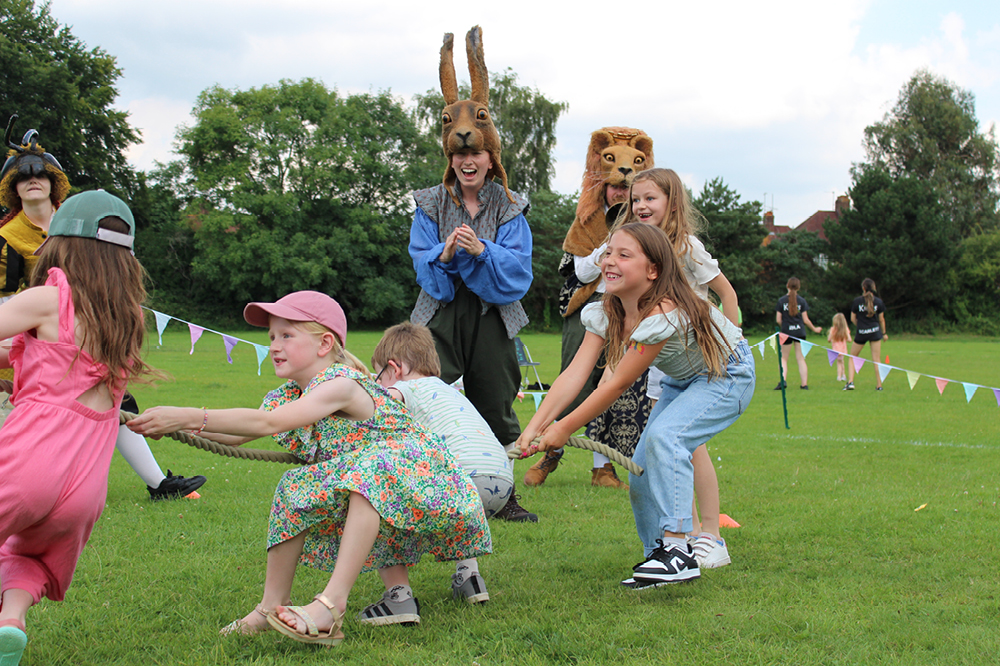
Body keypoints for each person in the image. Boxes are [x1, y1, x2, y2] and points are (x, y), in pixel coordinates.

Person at [128, 292, 491, 644]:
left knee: (365, 472)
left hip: (424, 478)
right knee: (295, 484)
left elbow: (267, 424)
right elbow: (238, 435)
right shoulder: (288, 395)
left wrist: (190, 414)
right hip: (374, 483)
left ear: (324, 344)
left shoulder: (341, 384)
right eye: (271, 336)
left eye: (287, 335)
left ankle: (331, 605)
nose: (273, 345)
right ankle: (270, 605)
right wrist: (175, 426)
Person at [517, 223, 754, 588]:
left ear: (653, 270)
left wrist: (562, 429)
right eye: (609, 252)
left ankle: (679, 549)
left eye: (624, 255)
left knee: (665, 438)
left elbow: (619, 382)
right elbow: (573, 375)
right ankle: (656, 555)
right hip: (683, 380)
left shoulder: (662, 313)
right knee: (639, 467)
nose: (610, 261)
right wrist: (535, 427)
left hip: (728, 375)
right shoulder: (607, 309)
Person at [0, 117, 205, 502]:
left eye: (41, 176)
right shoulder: (7, 237)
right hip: (31, 322)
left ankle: (156, 482)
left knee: (112, 397)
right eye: (23, 178)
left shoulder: (83, 217)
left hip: (85, 321)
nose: (33, 182)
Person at [0, 191, 155, 666]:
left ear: (60, 244)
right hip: (84, 486)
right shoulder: (124, 319)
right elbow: (53, 361)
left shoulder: (49, 297)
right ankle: (11, 619)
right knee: (34, 555)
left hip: (31, 455)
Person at [527, 128, 654, 489]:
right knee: (576, 384)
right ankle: (547, 454)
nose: (619, 192)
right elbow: (579, 271)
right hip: (587, 313)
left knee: (616, 389)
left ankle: (605, 468)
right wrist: (609, 248)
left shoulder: (645, 225)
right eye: (614, 187)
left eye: (625, 188)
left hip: (629, 312)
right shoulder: (586, 221)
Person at [371, 321, 512, 607]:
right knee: (459, 510)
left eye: (379, 377)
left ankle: (398, 596)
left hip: (461, 480)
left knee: (376, 501)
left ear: (394, 369)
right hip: (500, 481)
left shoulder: (406, 389)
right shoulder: (450, 392)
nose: (380, 384)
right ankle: (469, 578)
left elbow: (376, 406)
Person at [775, 277, 822, 390]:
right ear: (799, 287)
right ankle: (804, 384)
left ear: (787, 286)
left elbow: (778, 319)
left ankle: (783, 381)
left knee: (783, 358)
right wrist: (815, 329)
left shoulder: (781, 301)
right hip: (800, 332)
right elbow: (805, 320)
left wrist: (785, 326)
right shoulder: (802, 301)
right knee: (800, 358)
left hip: (786, 332)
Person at [845, 278, 888, 391]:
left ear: (863, 288)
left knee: (852, 357)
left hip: (861, 333)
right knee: (876, 359)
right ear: (874, 288)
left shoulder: (857, 301)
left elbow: (852, 319)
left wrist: (860, 326)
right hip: (875, 332)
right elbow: (881, 319)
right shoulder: (878, 302)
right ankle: (879, 385)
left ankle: (850, 382)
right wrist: (884, 333)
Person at [827, 313, 850, 382]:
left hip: (836, 349)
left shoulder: (833, 330)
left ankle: (839, 376)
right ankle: (843, 375)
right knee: (841, 361)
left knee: (839, 362)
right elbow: (849, 340)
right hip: (843, 349)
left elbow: (829, 339)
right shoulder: (845, 330)